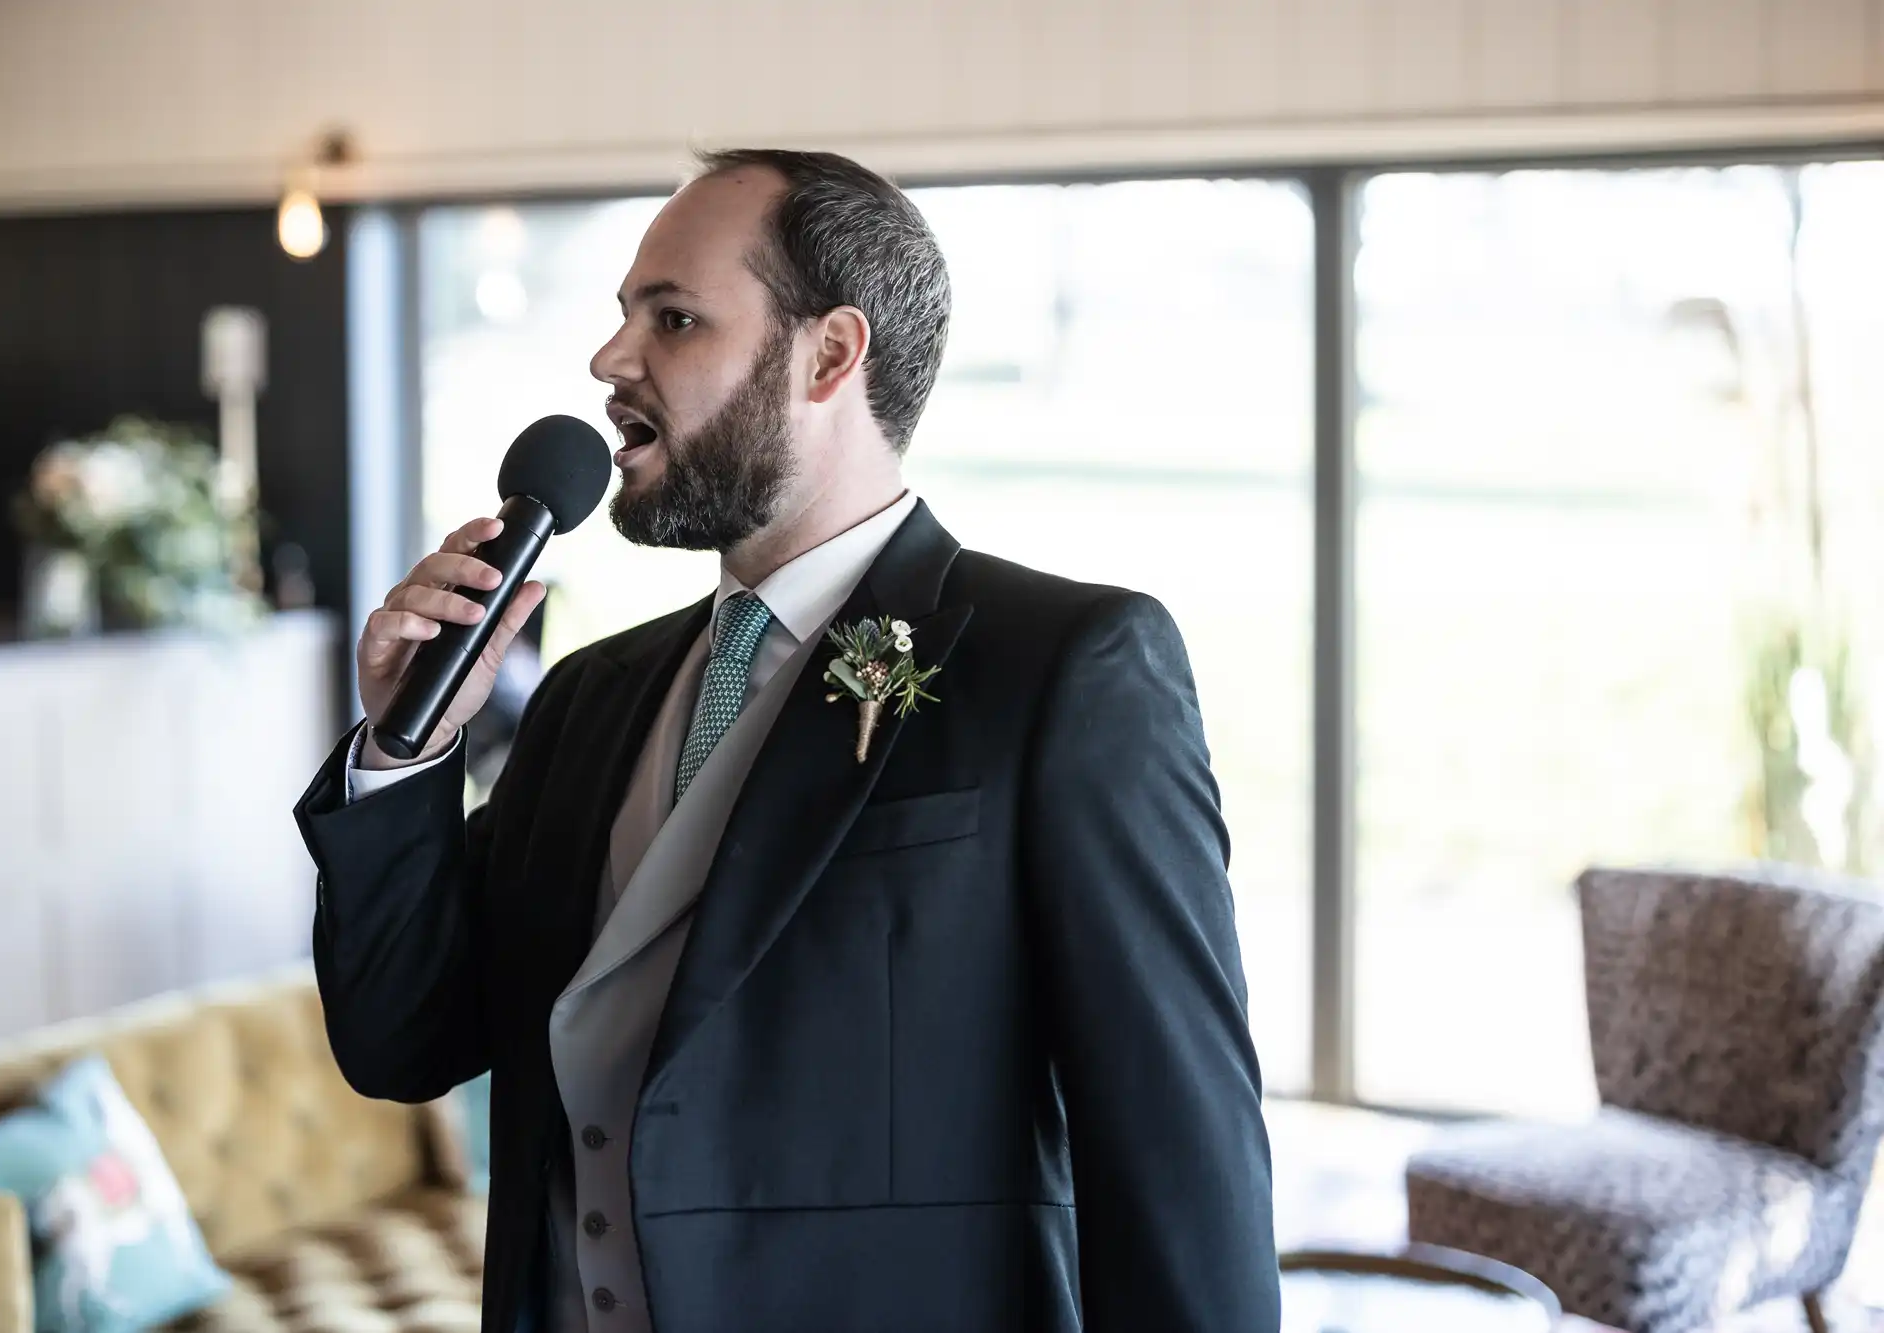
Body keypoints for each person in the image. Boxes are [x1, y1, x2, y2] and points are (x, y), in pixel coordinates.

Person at [295, 148, 1277, 1333]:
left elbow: (1179, 1157)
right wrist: (406, 757)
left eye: (673, 319)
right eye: (621, 319)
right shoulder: (589, 695)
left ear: (828, 354)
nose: (611, 362)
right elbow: (402, 1037)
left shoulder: (1064, 669)